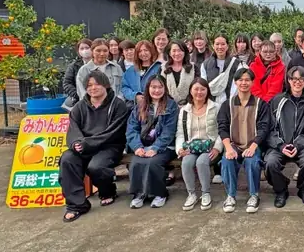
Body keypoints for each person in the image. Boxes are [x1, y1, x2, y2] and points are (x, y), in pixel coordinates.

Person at [59, 70, 130, 222]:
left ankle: (107, 191)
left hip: (109, 146)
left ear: (106, 84)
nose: (93, 88)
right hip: (84, 146)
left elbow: (114, 132)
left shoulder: (118, 105)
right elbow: (73, 129)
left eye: (97, 84)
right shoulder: (79, 106)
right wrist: (76, 143)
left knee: (96, 167)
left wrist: (88, 143)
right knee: (67, 159)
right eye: (89, 85)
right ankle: (77, 204)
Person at [264, 66, 304, 207]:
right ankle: (281, 190)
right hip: (280, 145)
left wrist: (298, 144)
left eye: (302, 79)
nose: (298, 82)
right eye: (294, 78)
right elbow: (268, 128)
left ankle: (303, 189)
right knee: (270, 163)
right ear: (288, 80)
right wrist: (280, 145)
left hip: (301, 146)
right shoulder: (276, 101)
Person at [217, 68, 271, 214]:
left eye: (247, 80)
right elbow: (222, 127)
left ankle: (254, 195)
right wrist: (228, 148)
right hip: (233, 144)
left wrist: (253, 146)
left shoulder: (261, 104)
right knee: (227, 161)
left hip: (252, 144)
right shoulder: (227, 105)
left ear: (253, 82)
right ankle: (230, 196)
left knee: (252, 161)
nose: (244, 83)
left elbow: (264, 128)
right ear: (235, 82)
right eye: (240, 80)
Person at [125, 75, 179, 209]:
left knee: (153, 162)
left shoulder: (171, 105)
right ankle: (139, 194)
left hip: (165, 146)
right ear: (148, 88)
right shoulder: (141, 105)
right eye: (153, 87)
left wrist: (155, 148)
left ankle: (160, 193)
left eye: (160, 87)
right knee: (136, 162)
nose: (156, 90)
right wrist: (137, 147)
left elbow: (169, 132)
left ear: (165, 88)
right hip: (143, 144)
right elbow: (132, 129)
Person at [176, 78, 222, 211]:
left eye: (202, 89)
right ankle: (191, 194)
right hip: (191, 146)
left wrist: (217, 148)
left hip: (210, 146)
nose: (199, 92)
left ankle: (205, 193)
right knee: (186, 162)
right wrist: (180, 149)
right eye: (196, 89)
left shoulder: (215, 107)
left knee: (201, 162)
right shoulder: (185, 110)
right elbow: (180, 133)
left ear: (207, 91)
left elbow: (222, 130)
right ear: (190, 91)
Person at [201, 34, 240, 103]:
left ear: (227, 46)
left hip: (230, 103)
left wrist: (230, 102)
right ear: (213, 46)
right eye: (217, 44)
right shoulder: (205, 64)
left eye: (223, 44)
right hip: (211, 103)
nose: (220, 47)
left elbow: (237, 86)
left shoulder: (236, 64)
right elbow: (204, 85)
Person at [163, 41, 196, 106]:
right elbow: (161, 87)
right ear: (169, 53)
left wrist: (186, 102)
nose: (177, 53)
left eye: (180, 50)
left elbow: (196, 87)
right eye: (174, 51)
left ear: (185, 52)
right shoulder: (163, 68)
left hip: (189, 106)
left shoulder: (193, 68)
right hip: (168, 107)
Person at [62, 38, 92, 108]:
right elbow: (67, 83)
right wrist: (78, 94)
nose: (85, 50)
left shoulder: (98, 63)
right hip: (78, 97)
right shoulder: (73, 66)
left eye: (87, 48)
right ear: (78, 51)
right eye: (82, 48)